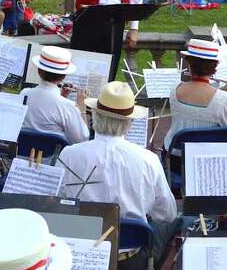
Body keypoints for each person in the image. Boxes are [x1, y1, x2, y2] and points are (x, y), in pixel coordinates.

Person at [57, 82, 178, 253]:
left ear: (96, 115)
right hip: (128, 261)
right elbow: (167, 214)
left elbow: (57, 201)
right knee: (174, 224)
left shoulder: (69, 154)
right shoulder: (148, 160)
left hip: (78, 250)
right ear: (129, 122)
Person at [165, 39, 227, 148]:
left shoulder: (174, 89)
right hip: (207, 158)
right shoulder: (225, 100)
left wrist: (225, 89)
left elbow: (199, 102)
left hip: (174, 154)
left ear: (189, 64)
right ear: (214, 67)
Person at [21, 46, 90, 145]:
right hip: (53, 159)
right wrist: (82, 108)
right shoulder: (68, 106)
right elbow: (82, 140)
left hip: (21, 154)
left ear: (39, 71)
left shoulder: (24, 94)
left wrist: (62, 97)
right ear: (64, 76)